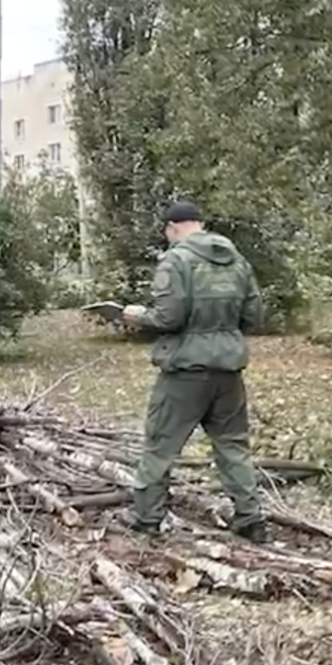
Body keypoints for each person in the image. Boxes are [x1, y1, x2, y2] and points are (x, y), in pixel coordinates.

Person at [120, 201, 269, 541]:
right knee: (233, 445)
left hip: (186, 372)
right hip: (229, 369)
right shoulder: (236, 259)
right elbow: (254, 315)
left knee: (161, 445)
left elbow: (168, 317)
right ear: (201, 224)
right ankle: (251, 518)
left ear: (173, 228)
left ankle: (146, 517)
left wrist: (136, 316)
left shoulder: (176, 260)